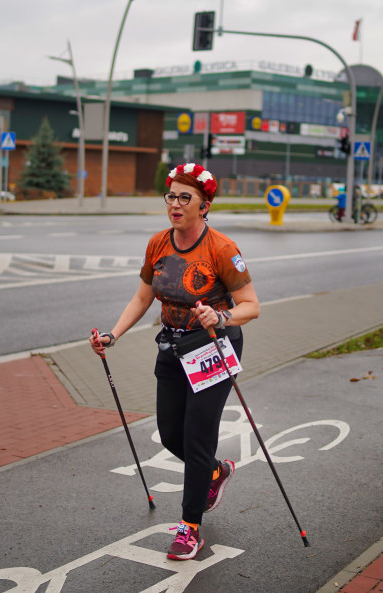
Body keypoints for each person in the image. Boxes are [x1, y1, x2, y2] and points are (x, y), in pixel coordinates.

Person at [89, 162, 260, 561]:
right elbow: (143, 297)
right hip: (172, 348)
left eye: (186, 197)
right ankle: (216, 472)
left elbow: (251, 306)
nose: (176, 204)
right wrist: (113, 335)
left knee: (198, 437)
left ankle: (190, 527)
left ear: (205, 204)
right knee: (170, 435)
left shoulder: (222, 248)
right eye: (171, 196)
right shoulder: (158, 244)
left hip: (213, 349)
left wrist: (221, 316)